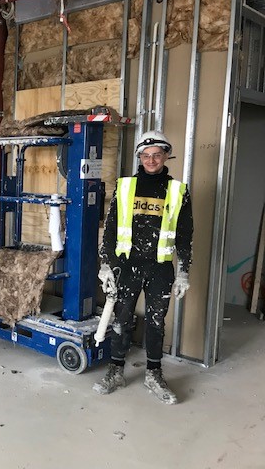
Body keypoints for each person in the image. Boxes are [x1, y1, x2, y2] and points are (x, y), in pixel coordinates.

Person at [94, 130, 193, 404]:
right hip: (127, 266)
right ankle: (115, 371)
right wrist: (105, 265)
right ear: (140, 157)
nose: (151, 160)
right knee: (122, 320)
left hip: (160, 269)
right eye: (146, 155)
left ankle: (153, 374)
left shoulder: (177, 191)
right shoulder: (125, 187)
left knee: (156, 323)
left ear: (165, 157)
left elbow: (185, 234)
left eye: (157, 155)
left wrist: (184, 270)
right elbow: (111, 228)